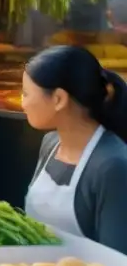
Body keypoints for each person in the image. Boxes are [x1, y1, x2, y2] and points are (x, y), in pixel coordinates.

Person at [22, 46, 127, 252]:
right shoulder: (50, 144)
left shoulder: (112, 165)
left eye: (26, 94)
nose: (23, 104)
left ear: (59, 99)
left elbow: (119, 263)